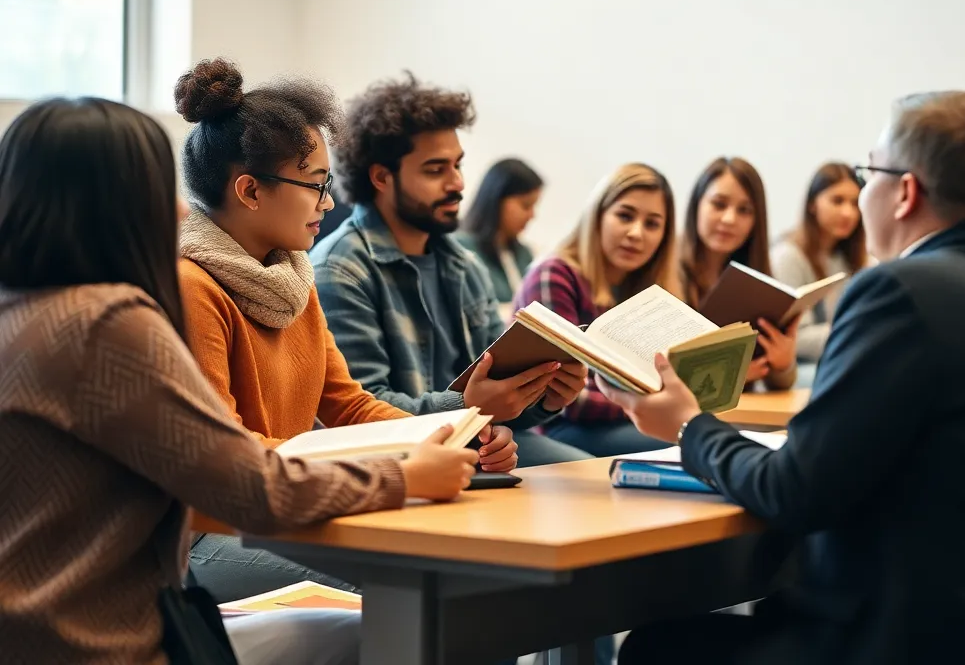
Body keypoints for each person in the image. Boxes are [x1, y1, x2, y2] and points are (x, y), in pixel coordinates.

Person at [602, 92, 965, 665]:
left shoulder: (901, 291)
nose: (861, 194)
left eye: (867, 173)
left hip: (899, 644)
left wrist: (688, 426)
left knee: (656, 649)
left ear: (905, 192)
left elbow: (793, 491)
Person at [0, 97, 479, 664]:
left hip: (43, 627)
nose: (180, 212)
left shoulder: (26, 312)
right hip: (94, 640)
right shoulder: (108, 323)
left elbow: (344, 404)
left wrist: (453, 433)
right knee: (410, 614)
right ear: (114, 204)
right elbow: (248, 486)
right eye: (159, 188)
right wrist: (401, 474)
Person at [172, 60, 517, 601]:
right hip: (210, 533)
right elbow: (228, 458)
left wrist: (455, 436)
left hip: (292, 501)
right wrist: (392, 467)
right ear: (250, 191)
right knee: (416, 589)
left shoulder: (291, 278)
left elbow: (350, 406)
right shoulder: (193, 288)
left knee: (475, 574)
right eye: (315, 185)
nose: (329, 202)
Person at [312, 73, 589, 468]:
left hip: (475, 446)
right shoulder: (340, 270)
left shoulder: (462, 263)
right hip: (395, 463)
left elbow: (499, 398)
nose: (457, 183)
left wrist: (548, 396)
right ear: (381, 178)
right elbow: (359, 412)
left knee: (592, 481)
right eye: (435, 169)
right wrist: (467, 409)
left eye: (457, 165)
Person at [512, 163, 681, 458]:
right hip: (557, 424)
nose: (636, 233)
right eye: (625, 216)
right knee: (686, 444)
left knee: (709, 437)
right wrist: (652, 404)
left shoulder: (649, 292)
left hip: (626, 418)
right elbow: (562, 394)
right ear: (598, 216)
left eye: (652, 224)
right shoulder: (554, 274)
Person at [679, 157, 798, 391]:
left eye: (744, 210)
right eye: (719, 204)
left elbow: (780, 383)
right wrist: (729, 377)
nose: (729, 219)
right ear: (697, 205)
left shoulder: (757, 281)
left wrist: (783, 363)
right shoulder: (668, 270)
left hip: (742, 415)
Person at [770, 162, 868, 364]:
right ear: (812, 204)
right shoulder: (787, 256)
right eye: (837, 201)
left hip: (838, 358)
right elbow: (795, 338)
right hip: (798, 367)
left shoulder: (852, 258)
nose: (848, 213)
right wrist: (858, 332)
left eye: (855, 203)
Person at [455, 157, 544, 308]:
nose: (531, 215)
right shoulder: (461, 249)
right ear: (497, 198)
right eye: (525, 205)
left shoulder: (524, 254)